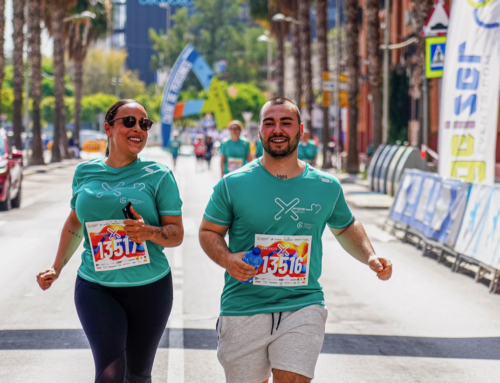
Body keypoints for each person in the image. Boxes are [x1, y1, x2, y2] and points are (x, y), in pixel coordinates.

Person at [199, 97, 392, 383]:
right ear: (260, 132)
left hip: (303, 304)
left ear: (300, 130)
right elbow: (208, 232)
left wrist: (370, 257)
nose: (278, 129)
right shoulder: (232, 184)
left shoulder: (326, 186)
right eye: (269, 123)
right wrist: (228, 259)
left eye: (286, 122)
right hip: (244, 306)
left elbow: (346, 226)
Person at [36, 99, 184, 383]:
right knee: (110, 375)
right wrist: (57, 267)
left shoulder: (159, 175)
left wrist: (148, 232)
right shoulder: (85, 173)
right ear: (108, 128)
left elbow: (175, 233)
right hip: (97, 287)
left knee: (138, 376)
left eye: (145, 124)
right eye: (129, 121)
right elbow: (75, 222)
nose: (138, 129)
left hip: (150, 289)